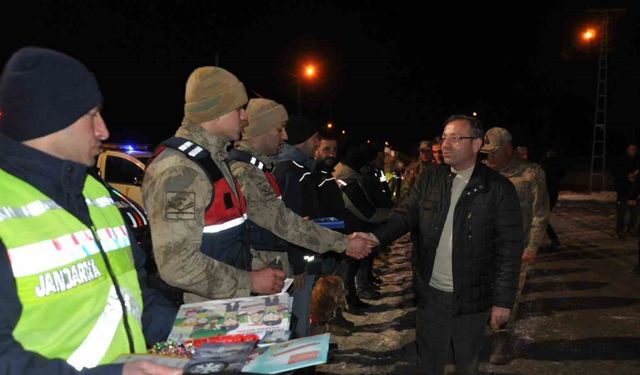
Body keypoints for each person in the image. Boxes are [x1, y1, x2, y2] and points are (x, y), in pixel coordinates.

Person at [0, 47, 180, 374]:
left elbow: (134, 293)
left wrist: (194, 333)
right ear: (51, 118)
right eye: (92, 115)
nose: (104, 131)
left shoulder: (94, 191)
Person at [356, 115, 523, 375]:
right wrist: (375, 238)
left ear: (476, 144)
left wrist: (503, 300)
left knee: (467, 364)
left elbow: (509, 250)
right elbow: (404, 215)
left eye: (456, 138)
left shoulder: (497, 189)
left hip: (472, 299)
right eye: (444, 137)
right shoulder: (430, 179)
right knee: (430, 362)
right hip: (432, 295)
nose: (446, 144)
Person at [142, 67, 286, 304]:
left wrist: (260, 269)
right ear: (215, 111)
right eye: (238, 108)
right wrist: (249, 281)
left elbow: (228, 240)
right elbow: (178, 265)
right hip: (204, 312)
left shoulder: (214, 161)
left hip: (226, 304)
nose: (245, 117)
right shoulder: (180, 172)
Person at [226, 98, 374, 296]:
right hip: (259, 275)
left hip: (266, 271)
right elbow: (285, 224)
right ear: (261, 130)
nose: (285, 136)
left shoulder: (259, 168)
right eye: (279, 129)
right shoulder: (247, 172)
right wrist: (345, 243)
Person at [480, 127, 550, 364]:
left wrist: (532, 247)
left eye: (494, 152)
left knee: (507, 299)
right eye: (486, 152)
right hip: (485, 248)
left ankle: (499, 343)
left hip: (516, 251)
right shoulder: (484, 172)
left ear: (509, 149)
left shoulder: (531, 173)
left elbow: (540, 214)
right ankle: (480, 340)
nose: (489, 157)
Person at [614, 144, 639, 239]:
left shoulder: (636, 162)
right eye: (631, 149)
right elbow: (618, 177)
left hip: (634, 193)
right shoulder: (621, 162)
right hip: (623, 193)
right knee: (621, 214)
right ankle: (620, 231)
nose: (633, 152)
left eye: (634, 150)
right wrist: (628, 176)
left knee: (635, 213)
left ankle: (631, 229)